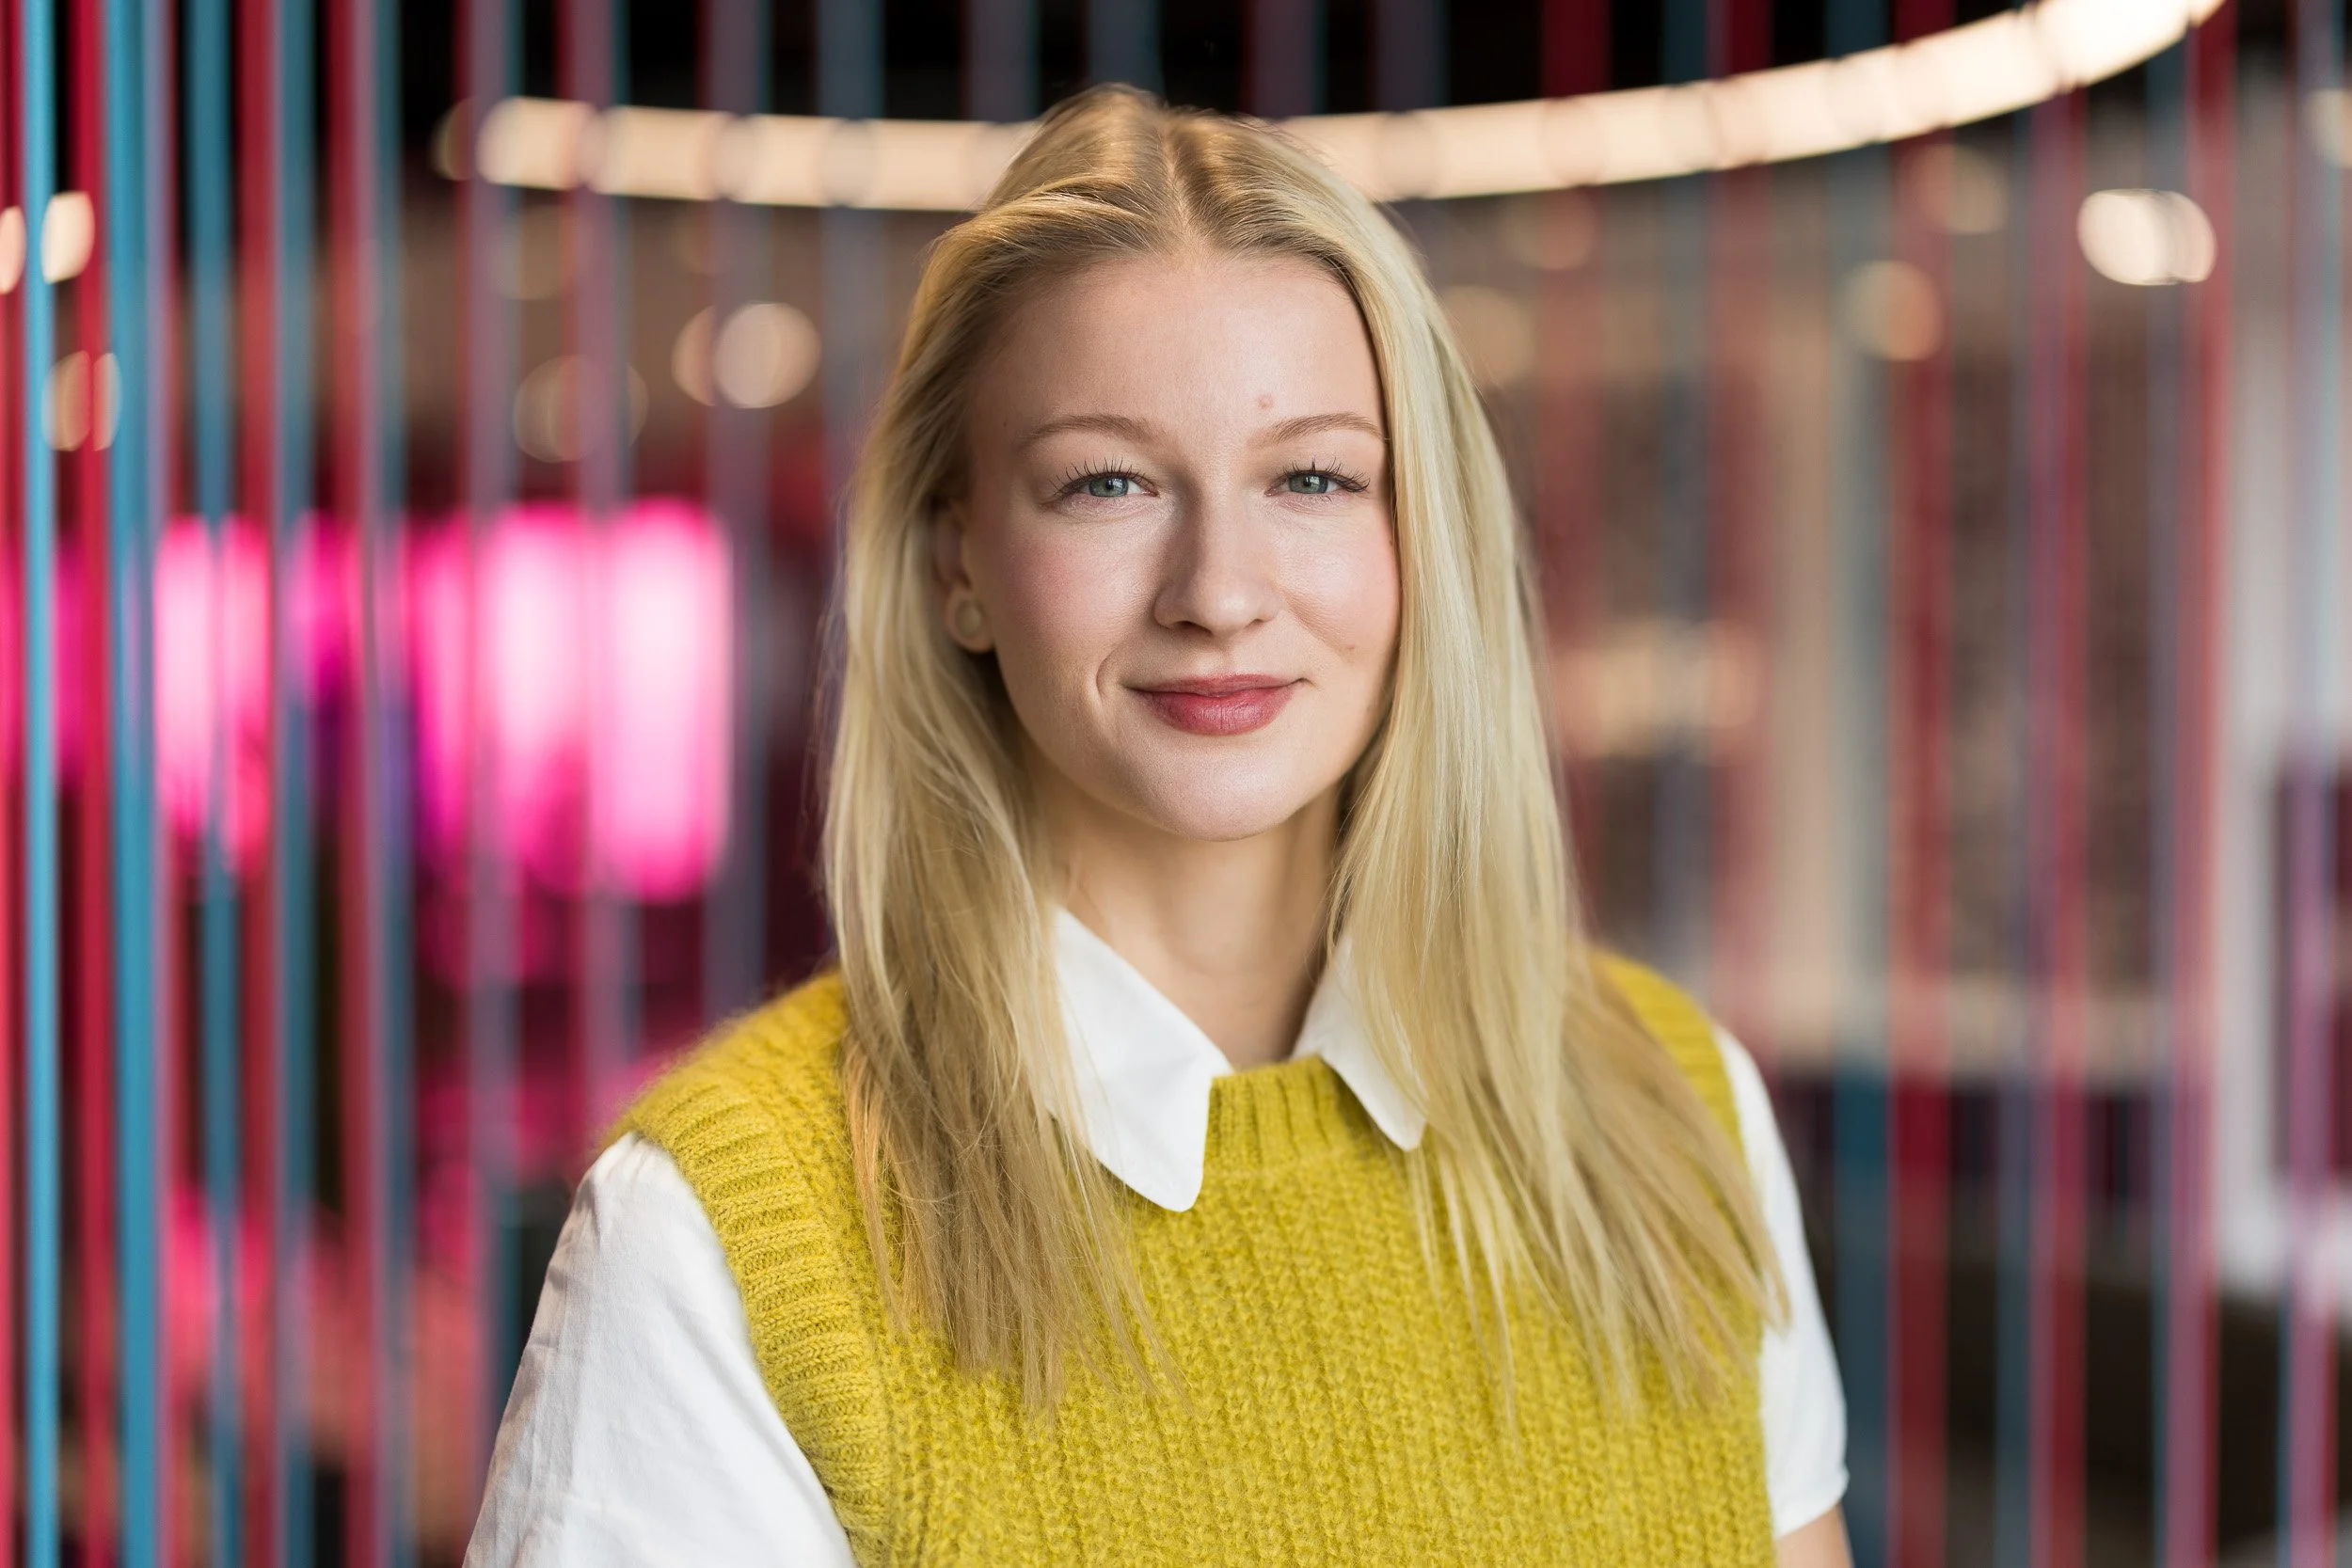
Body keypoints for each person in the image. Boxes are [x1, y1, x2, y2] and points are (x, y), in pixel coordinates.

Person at [467, 84, 1849, 1566]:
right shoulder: (723, 1236)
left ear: (1416, 542)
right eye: (1107, 482)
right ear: (959, 566)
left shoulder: (1674, 1114)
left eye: (1313, 476)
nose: (1221, 589)